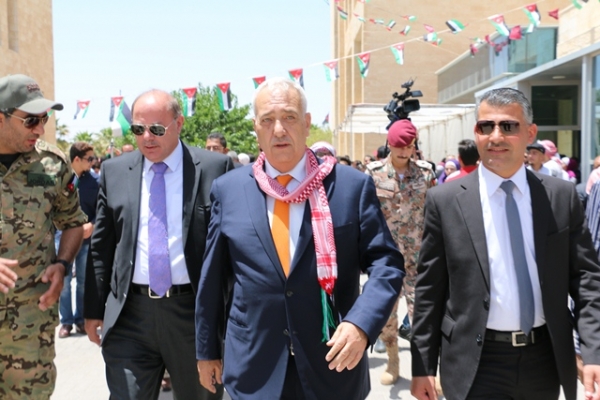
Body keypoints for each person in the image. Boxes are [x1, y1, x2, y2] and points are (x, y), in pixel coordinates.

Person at [195, 77, 404, 399]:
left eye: (289, 117)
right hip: (254, 367)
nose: (279, 130)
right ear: (255, 128)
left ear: (307, 123)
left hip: (333, 365)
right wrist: (207, 349)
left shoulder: (349, 186)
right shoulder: (229, 189)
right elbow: (213, 278)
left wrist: (361, 323)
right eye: (267, 120)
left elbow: (386, 264)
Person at [410, 87, 600, 400]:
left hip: (544, 360)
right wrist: (423, 366)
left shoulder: (560, 197)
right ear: (476, 133)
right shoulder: (445, 201)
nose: (495, 136)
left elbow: (586, 278)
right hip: (475, 363)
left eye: (508, 126)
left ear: (530, 133)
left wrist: (593, 350)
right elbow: (430, 290)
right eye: (486, 126)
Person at [83, 89, 233, 400]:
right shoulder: (114, 171)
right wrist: (93, 309)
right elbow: (101, 247)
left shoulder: (215, 169)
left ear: (179, 123)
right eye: (138, 129)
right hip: (130, 316)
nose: (147, 137)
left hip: (193, 316)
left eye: (156, 129)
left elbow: (231, 251)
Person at [0, 74, 87, 398]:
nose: (40, 129)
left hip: (29, 323)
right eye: (30, 120)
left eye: (44, 119)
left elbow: (73, 222)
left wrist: (62, 265)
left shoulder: (52, 164)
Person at [365, 119, 436, 385]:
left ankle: (426, 369)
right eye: (399, 147)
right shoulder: (374, 173)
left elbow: (435, 211)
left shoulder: (426, 173)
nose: (404, 152)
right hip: (387, 257)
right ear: (390, 145)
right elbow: (366, 214)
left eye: (409, 146)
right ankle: (392, 360)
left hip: (420, 255)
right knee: (387, 312)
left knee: (424, 313)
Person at [57, 142, 99, 339]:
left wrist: (93, 224)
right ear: (76, 159)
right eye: (89, 159)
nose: (93, 162)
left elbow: (103, 208)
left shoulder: (96, 181)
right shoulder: (60, 178)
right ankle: (66, 322)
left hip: (86, 240)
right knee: (64, 282)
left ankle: (80, 319)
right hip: (63, 239)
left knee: (82, 282)